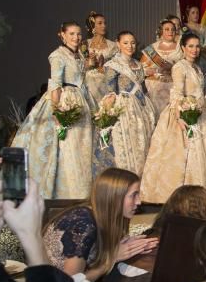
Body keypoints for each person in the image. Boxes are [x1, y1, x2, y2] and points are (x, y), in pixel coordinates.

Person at [43, 168, 157, 282]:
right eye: (134, 195)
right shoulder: (83, 222)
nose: (139, 201)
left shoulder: (96, 217)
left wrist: (121, 246)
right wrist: (110, 259)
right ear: (114, 197)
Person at [12, 21, 95, 199]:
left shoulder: (79, 55)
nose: (76, 37)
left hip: (81, 100)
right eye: (71, 34)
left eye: (79, 34)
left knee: (83, 147)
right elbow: (56, 84)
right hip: (65, 100)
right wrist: (57, 111)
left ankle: (84, 191)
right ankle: (69, 193)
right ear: (62, 35)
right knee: (68, 147)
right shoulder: (57, 55)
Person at [140, 33, 206, 204]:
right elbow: (177, 93)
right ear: (183, 48)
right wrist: (180, 117)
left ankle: (198, 194)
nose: (194, 50)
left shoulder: (196, 68)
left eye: (197, 46)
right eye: (190, 46)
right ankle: (179, 196)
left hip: (198, 114)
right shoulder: (180, 67)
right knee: (179, 156)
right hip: (183, 114)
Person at [93, 31, 156, 177]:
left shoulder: (138, 65)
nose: (130, 46)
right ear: (118, 44)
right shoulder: (113, 65)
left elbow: (143, 89)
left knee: (142, 144)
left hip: (141, 108)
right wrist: (107, 116)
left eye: (133, 43)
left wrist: (149, 108)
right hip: (124, 109)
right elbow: (110, 92)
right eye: (126, 43)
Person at [140, 18, 182, 116]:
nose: (170, 32)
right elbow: (142, 69)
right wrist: (157, 70)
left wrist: (171, 67)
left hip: (174, 86)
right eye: (167, 29)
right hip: (155, 87)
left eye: (173, 29)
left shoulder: (181, 48)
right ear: (161, 31)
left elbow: (186, 67)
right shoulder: (152, 48)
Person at [82, 11, 118, 104]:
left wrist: (105, 66)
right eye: (100, 23)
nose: (104, 26)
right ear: (92, 26)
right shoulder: (84, 44)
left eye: (104, 23)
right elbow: (80, 65)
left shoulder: (112, 45)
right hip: (88, 83)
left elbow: (117, 65)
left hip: (105, 82)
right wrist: (90, 61)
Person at [184, 4, 206, 76]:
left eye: (197, 13)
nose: (196, 15)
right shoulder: (184, 28)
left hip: (203, 57)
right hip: (188, 56)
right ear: (188, 14)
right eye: (193, 13)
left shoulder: (205, 29)